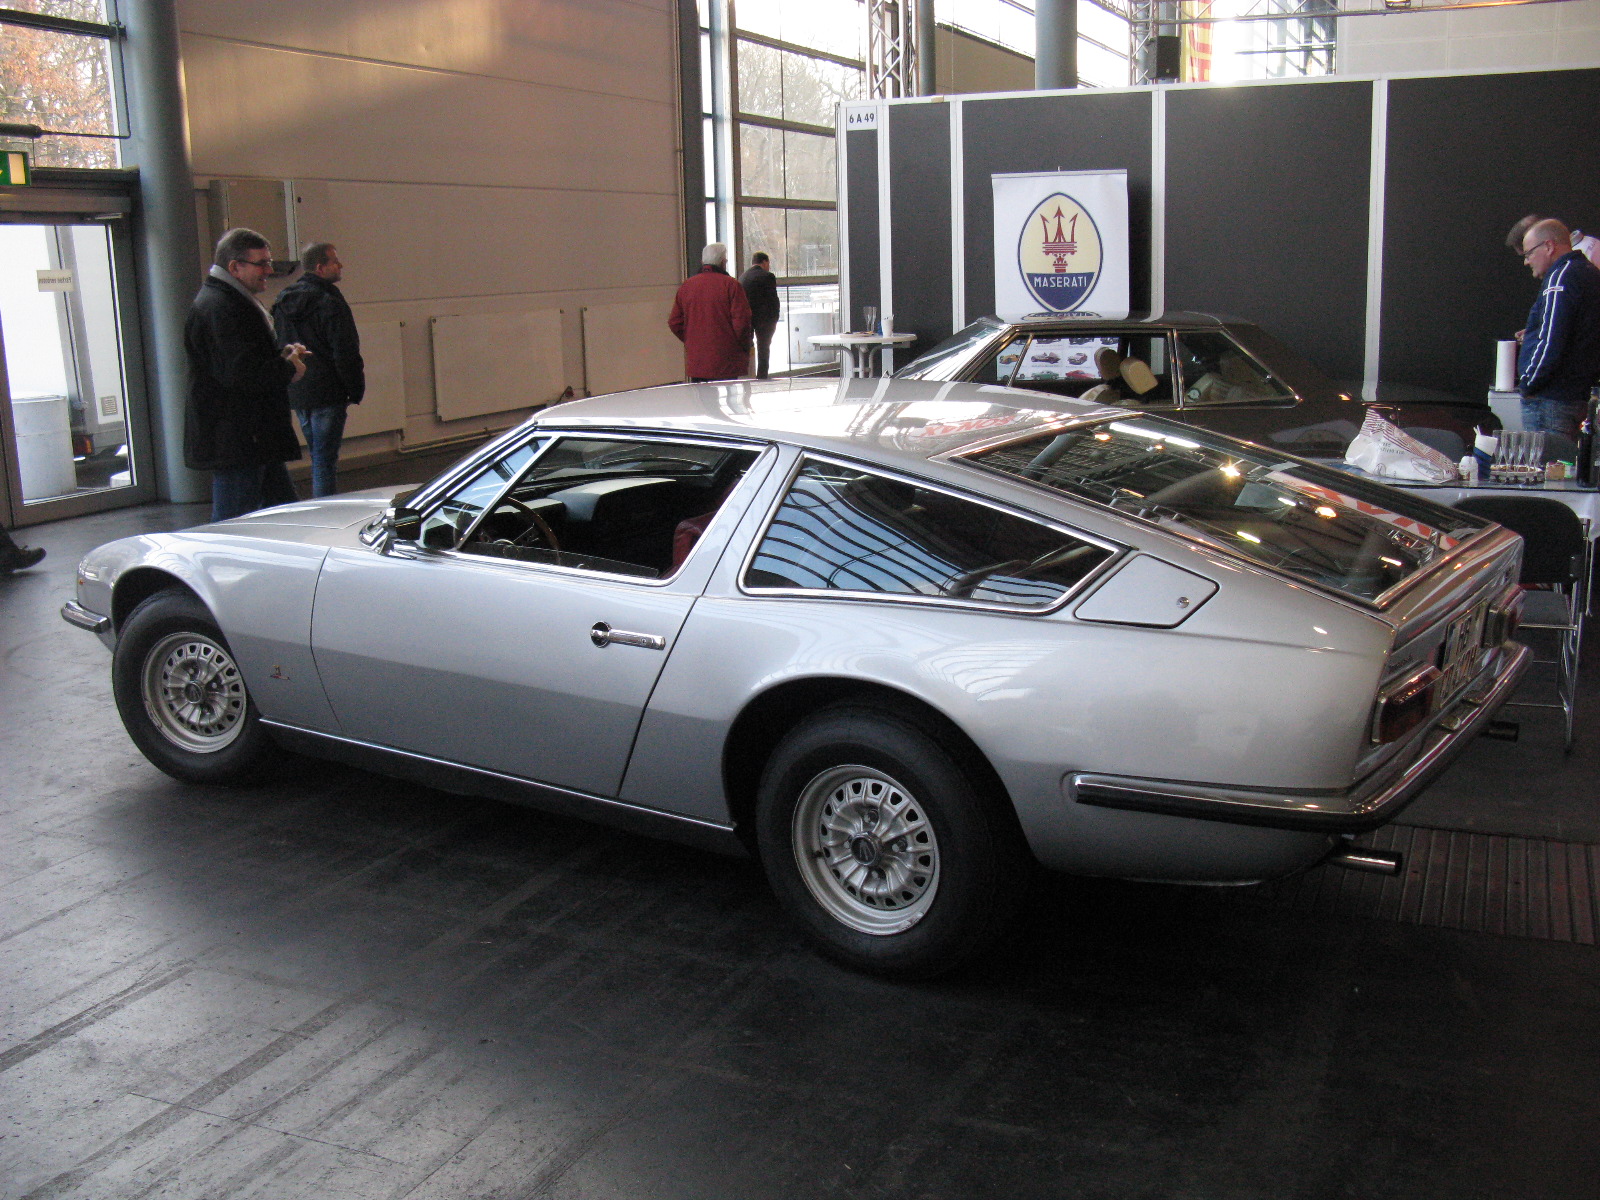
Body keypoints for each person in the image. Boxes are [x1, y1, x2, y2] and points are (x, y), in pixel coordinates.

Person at [185, 228, 308, 521]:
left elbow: (243, 361)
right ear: (235, 266)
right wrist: (289, 367)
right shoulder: (223, 307)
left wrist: (281, 357)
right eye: (261, 263)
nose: (269, 270)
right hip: (239, 436)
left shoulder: (229, 300)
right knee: (233, 521)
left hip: (251, 435)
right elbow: (240, 374)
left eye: (269, 262)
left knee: (285, 513)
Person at [273, 242, 365, 497]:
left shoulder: (283, 300)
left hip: (299, 386)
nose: (341, 265)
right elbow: (345, 350)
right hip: (328, 390)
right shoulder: (331, 301)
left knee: (317, 455)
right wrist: (355, 389)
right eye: (335, 261)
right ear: (320, 267)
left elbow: (278, 343)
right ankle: (325, 511)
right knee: (325, 461)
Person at [1516, 218, 1600, 439]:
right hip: (1575, 396)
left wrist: (1528, 382)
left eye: (1528, 254)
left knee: (1543, 470)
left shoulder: (1561, 277)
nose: (1527, 261)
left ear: (1549, 246)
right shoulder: (1588, 272)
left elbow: (1552, 339)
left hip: (1551, 401)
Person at [668, 243, 752, 383]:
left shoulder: (687, 286)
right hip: (727, 360)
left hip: (698, 361)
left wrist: (692, 340)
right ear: (722, 262)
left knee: (702, 402)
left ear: (702, 262)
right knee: (732, 401)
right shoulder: (731, 286)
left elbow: (674, 322)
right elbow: (742, 323)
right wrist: (743, 346)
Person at [739, 251, 780, 379]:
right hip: (764, 320)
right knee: (763, 349)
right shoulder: (768, 276)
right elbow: (773, 300)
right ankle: (762, 377)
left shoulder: (742, 277)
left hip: (748, 318)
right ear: (765, 262)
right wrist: (775, 319)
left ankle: (748, 375)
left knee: (748, 348)